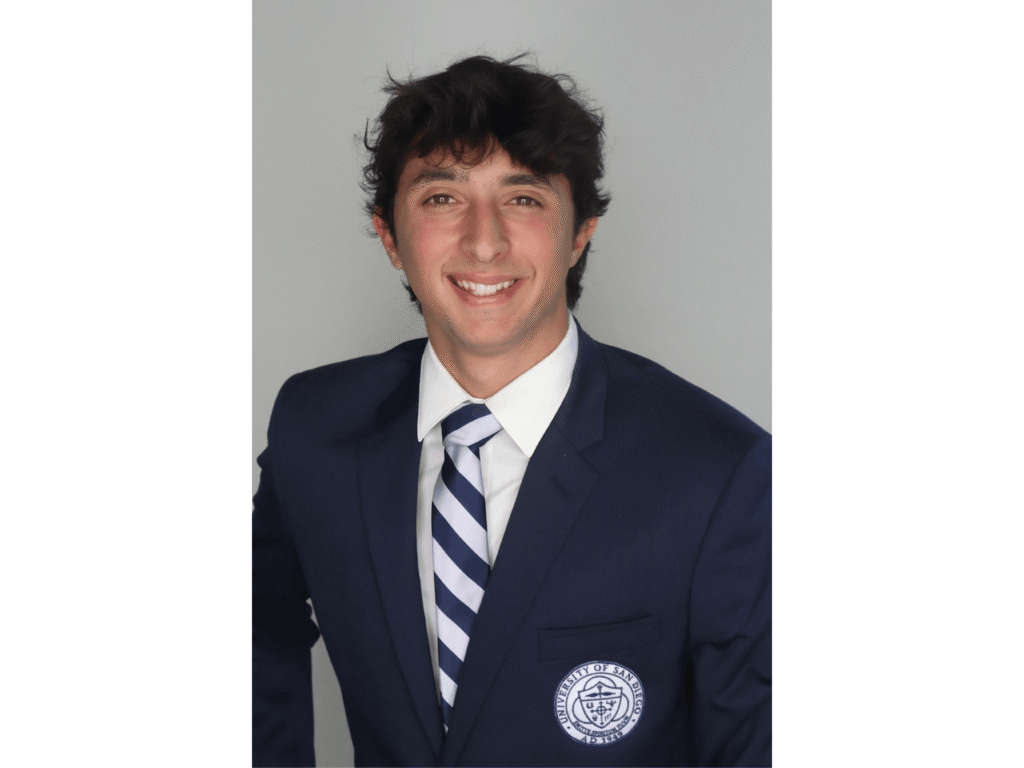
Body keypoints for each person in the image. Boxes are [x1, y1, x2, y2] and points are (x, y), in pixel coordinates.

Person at [253, 54, 770, 767]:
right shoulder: (314, 430)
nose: (484, 240)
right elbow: (253, 625)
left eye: (523, 198)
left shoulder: (717, 470)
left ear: (580, 233)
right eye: (442, 198)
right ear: (390, 237)